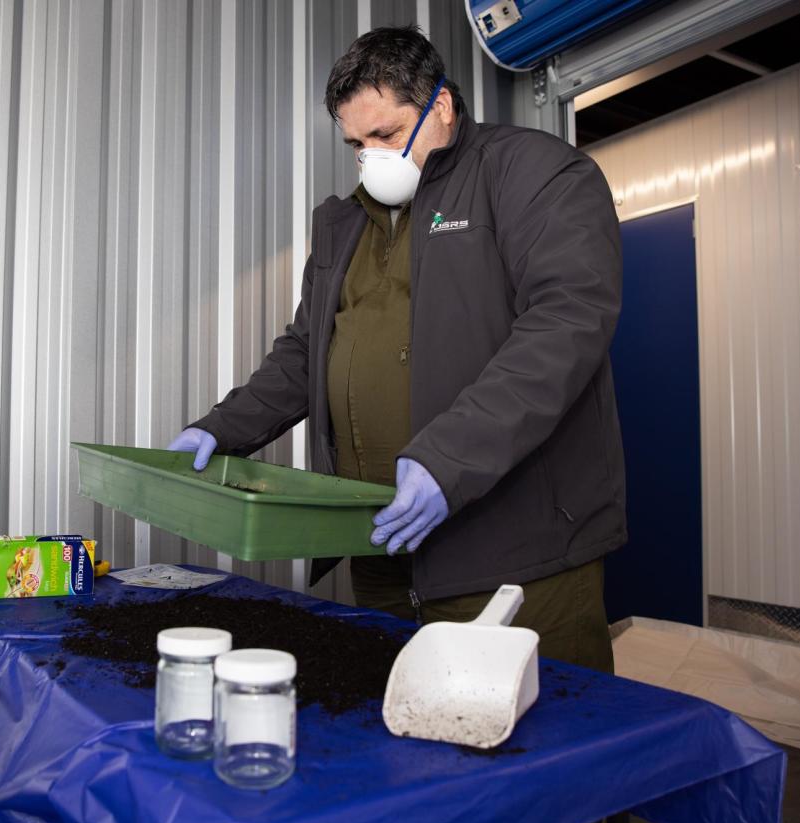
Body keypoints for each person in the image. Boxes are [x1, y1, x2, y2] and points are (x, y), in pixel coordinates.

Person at [168, 25, 625, 672]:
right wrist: (220, 431)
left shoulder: (531, 172)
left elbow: (567, 322)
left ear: (440, 106)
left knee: (537, 740)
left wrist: (447, 460)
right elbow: (304, 353)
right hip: (382, 547)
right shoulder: (344, 222)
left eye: (384, 135)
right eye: (355, 143)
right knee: (398, 738)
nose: (370, 157)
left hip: (515, 552)